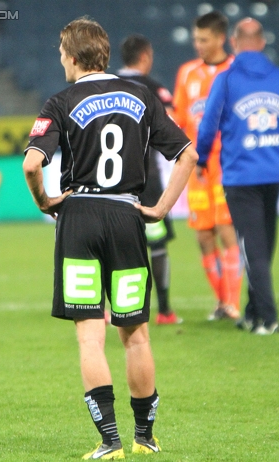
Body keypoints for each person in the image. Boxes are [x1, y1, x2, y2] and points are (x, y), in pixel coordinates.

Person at [22, 17, 197, 460]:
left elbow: (31, 164)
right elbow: (187, 154)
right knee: (135, 335)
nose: (60, 60)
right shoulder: (141, 96)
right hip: (127, 216)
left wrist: (45, 201)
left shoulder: (60, 101)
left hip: (78, 218)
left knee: (89, 337)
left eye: (62, 53)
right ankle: (145, 437)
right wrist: (159, 208)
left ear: (75, 56)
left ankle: (110, 442)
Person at [196, 18, 279, 334]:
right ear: (261, 42)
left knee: (253, 248)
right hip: (273, 174)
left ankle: (269, 319)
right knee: (263, 246)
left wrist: (201, 159)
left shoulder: (227, 79)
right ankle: (252, 312)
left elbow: (207, 126)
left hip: (240, 176)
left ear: (234, 42)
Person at [172, 11, 243, 322]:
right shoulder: (187, 73)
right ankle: (221, 301)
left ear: (220, 39)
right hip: (197, 166)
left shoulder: (237, 71)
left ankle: (233, 302)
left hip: (228, 164)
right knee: (203, 236)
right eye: (195, 39)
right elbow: (181, 117)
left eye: (203, 39)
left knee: (227, 229)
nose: (197, 44)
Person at [116, 34, 182, 325]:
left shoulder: (107, 85)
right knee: (156, 243)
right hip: (148, 180)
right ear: (145, 56)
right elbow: (172, 128)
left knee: (116, 244)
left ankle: (113, 308)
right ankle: (165, 310)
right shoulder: (154, 88)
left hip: (113, 181)